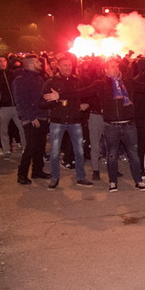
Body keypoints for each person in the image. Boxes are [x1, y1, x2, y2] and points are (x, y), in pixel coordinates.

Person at [93, 57, 145, 192]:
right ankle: (112, 181)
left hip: (128, 124)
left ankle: (138, 180)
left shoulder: (127, 82)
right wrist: (59, 95)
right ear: (105, 70)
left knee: (133, 153)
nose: (116, 69)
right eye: (112, 67)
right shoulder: (101, 84)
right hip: (111, 125)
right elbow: (82, 91)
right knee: (112, 154)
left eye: (117, 66)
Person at [40, 53, 94, 189]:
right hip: (57, 121)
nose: (68, 67)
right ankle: (55, 178)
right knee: (55, 152)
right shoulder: (51, 82)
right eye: (65, 65)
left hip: (75, 121)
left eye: (70, 65)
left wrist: (86, 104)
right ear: (58, 66)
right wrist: (54, 102)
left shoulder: (77, 80)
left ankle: (81, 178)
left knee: (79, 151)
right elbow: (41, 102)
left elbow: (86, 95)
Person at [12, 56, 50, 184]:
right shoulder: (21, 80)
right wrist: (31, 117)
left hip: (42, 116)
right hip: (32, 118)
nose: (40, 64)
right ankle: (21, 174)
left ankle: (37, 171)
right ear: (29, 64)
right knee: (31, 146)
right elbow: (21, 101)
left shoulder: (39, 78)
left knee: (40, 146)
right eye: (37, 62)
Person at [0, 55, 25, 159]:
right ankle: (6, 149)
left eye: (4, 61)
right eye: (0, 61)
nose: (2, 63)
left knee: (22, 128)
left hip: (16, 106)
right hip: (3, 107)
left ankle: (25, 148)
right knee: (4, 130)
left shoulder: (13, 74)